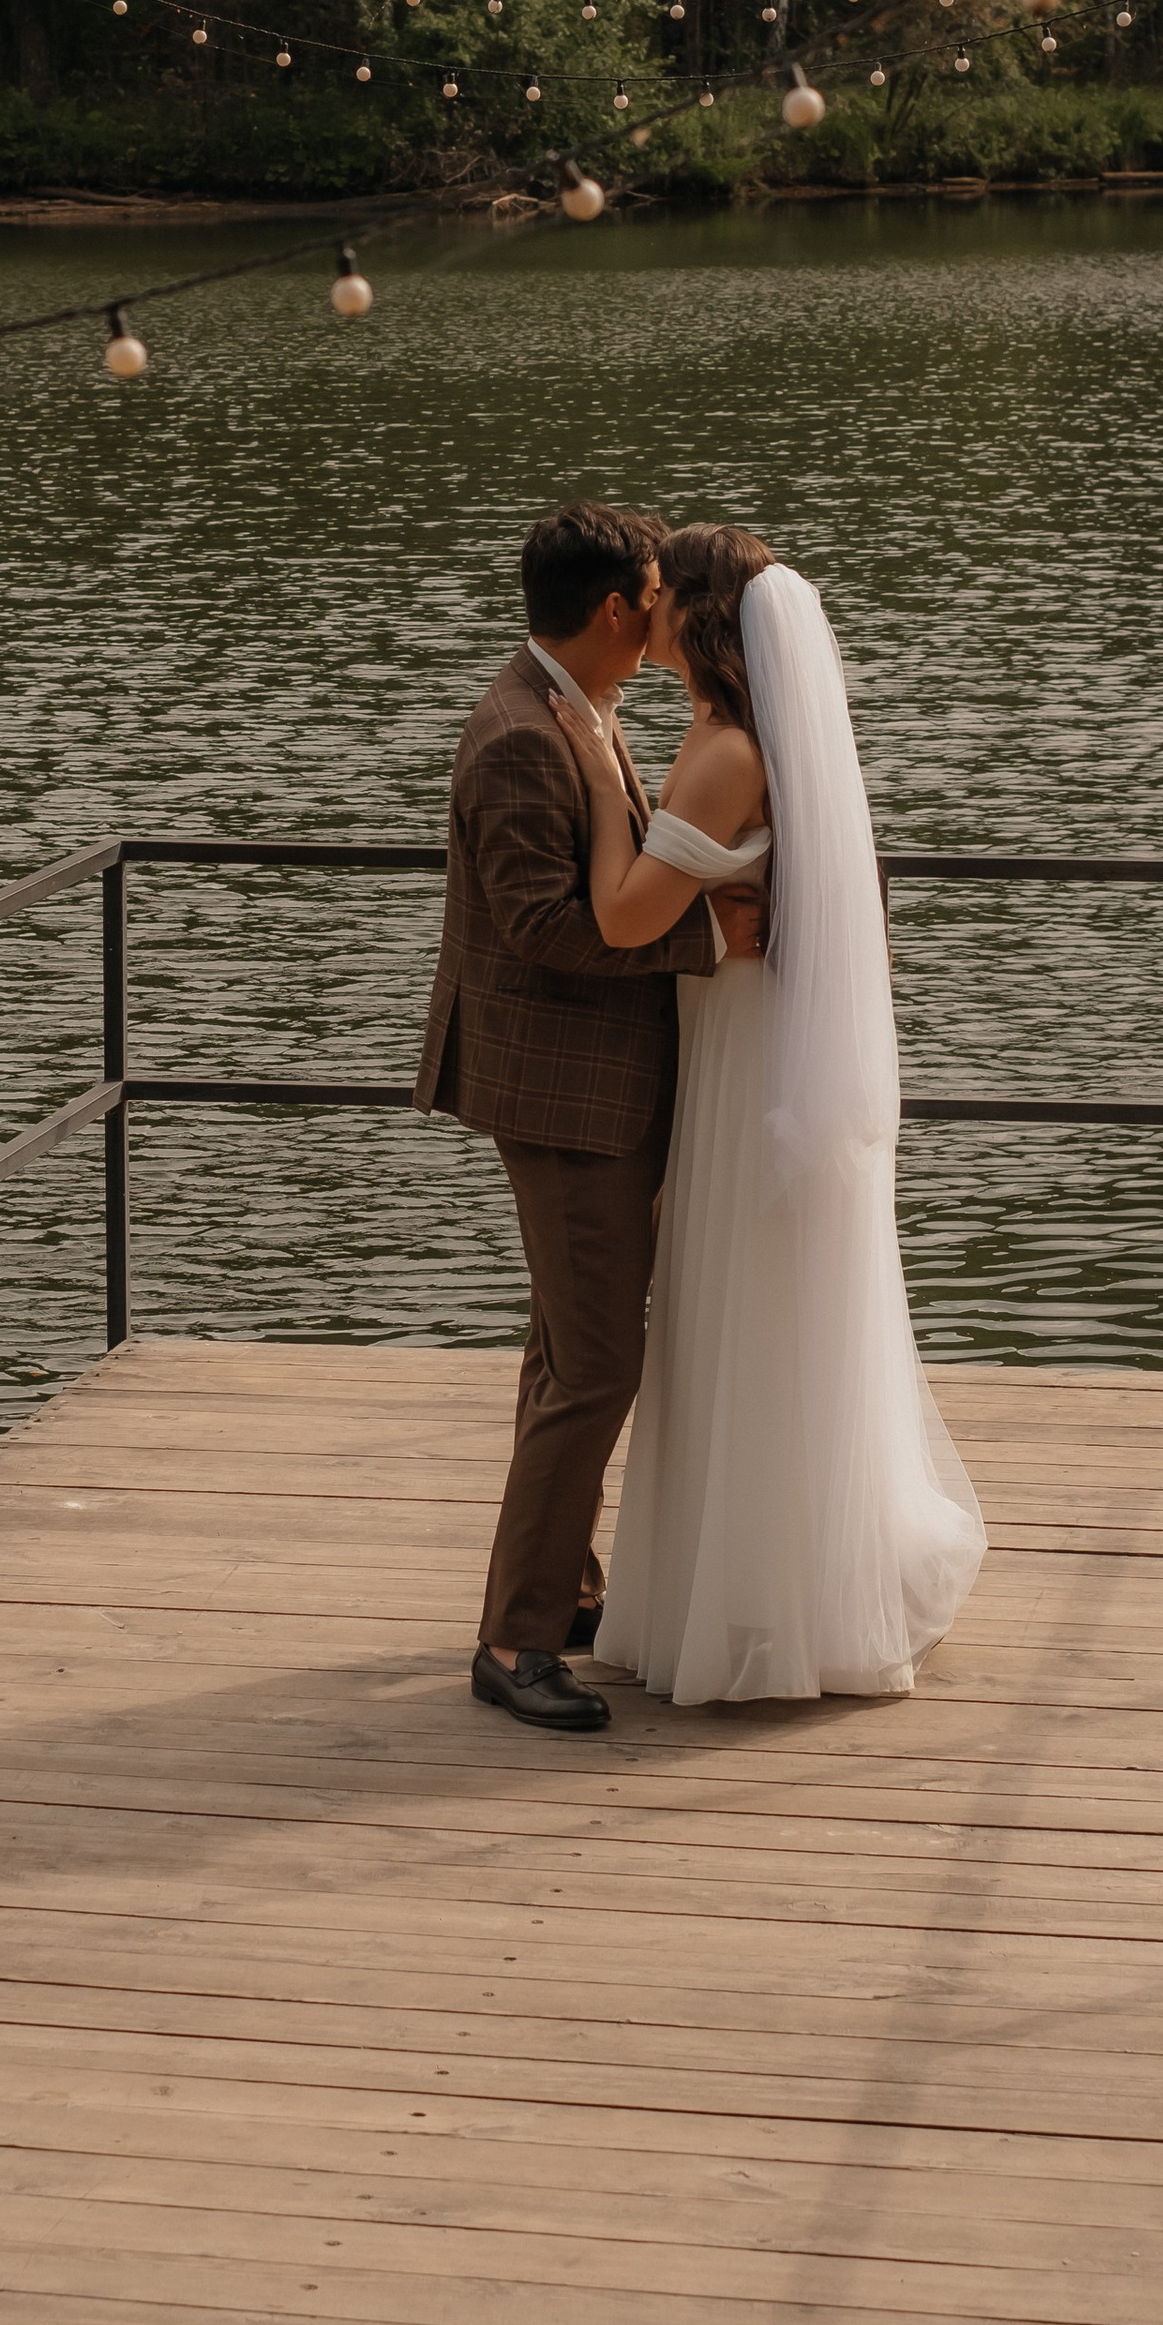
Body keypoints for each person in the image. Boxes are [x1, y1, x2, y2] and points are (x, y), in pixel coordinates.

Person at [547, 524, 985, 1704]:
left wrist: (598, 792)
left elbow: (631, 918)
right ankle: (754, 1584)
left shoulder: (728, 750)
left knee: (741, 1305)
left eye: (662, 599)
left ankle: (754, 1606)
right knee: (751, 1306)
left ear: (702, 618)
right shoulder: (735, 734)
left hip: (744, 1064)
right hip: (743, 1040)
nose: (646, 619)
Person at [414, 502, 765, 1733]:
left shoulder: (577, 706)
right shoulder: (520, 734)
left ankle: (561, 1592)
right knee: (598, 1363)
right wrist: (706, 932)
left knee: (567, 1347)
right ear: (617, 609)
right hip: (568, 1096)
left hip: (599, 1084)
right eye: (657, 594)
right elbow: (544, 928)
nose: (667, 612)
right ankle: (513, 1644)